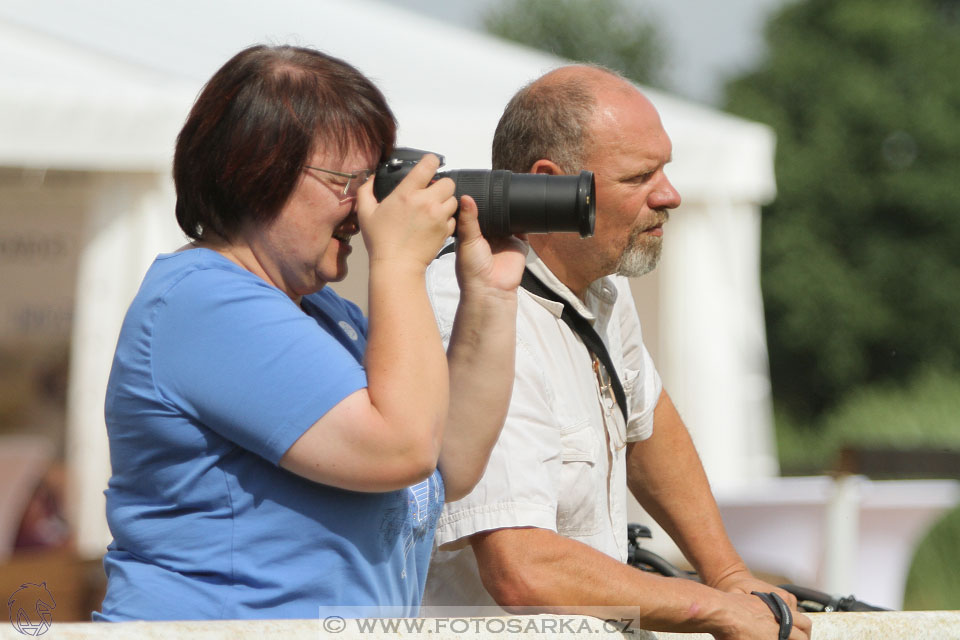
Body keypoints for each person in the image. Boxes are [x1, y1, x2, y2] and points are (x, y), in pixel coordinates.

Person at [94, 44, 526, 621]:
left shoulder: (322, 313)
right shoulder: (201, 301)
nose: (363, 208)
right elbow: (401, 448)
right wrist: (398, 264)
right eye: (347, 182)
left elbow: (448, 461)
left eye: (375, 179)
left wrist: (491, 296)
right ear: (254, 172)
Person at [423, 65, 813, 640]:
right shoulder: (468, 306)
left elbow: (646, 421)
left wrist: (728, 573)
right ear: (550, 184)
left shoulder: (600, 286)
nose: (671, 194)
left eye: (667, 168)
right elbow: (521, 568)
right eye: (640, 176)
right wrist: (711, 607)